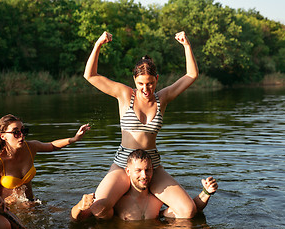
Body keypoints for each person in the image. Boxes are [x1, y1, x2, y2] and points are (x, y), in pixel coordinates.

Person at [82, 30, 199, 219]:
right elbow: (90, 75)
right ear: (134, 80)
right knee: (98, 210)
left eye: (151, 83)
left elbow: (191, 74)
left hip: (151, 165)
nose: (146, 89)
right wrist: (98, 44)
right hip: (123, 163)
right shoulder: (124, 94)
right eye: (141, 84)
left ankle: (156, 215)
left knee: (188, 211)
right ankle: (122, 212)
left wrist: (187, 45)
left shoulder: (164, 98)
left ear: (157, 79)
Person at [71, 150, 218, 221]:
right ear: (128, 171)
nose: (144, 175)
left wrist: (206, 192)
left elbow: (190, 209)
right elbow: (77, 218)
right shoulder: (118, 202)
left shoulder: (157, 200)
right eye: (138, 171)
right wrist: (79, 206)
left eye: (147, 170)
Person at [0, 114, 90, 203]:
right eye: (16, 132)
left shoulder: (30, 147)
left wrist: (74, 138)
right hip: (10, 207)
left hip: (31, 202)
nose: (21, 135)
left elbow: (52, 146)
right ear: (3, 136)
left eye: (23, 131)